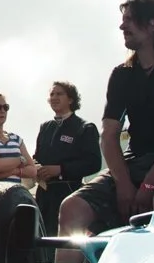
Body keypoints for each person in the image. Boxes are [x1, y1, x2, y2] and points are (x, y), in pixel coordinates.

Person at [58, 0, 154, 256]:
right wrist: (124, 185)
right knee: (72, 207)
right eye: (122, 20)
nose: (122, 27)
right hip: (134, 163)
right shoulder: (122, 74)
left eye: (129, 20)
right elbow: (109, 135)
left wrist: (149, 185)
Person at [30, 81, 101, 227]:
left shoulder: (85, 127)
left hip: (69, 193)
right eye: (52, 94)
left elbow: (94, 163)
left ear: (70, 99)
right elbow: (38, 157)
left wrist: (61, 169)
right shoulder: (45, 127)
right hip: (44, 195)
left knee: (65, 242)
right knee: (42, 241)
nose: (54, 97)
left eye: (59, 94)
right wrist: (33, 166)